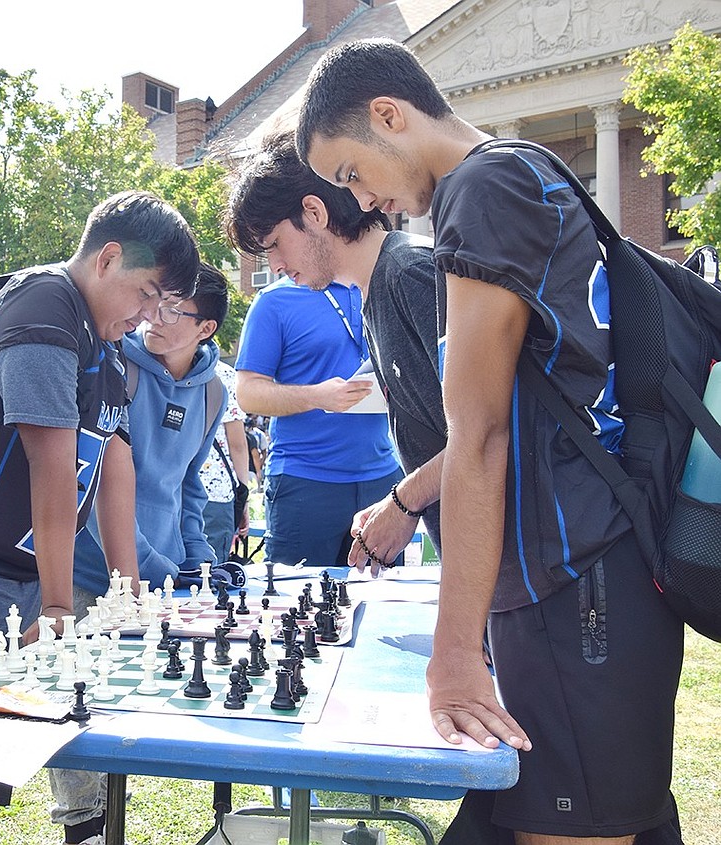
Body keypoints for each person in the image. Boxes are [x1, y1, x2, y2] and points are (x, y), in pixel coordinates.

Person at [296, 38, 684, 845]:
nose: (361, 198)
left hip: (576, 589)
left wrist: (453, 654)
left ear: (389, 115)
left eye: (350, 172)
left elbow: (479, 437)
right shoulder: (523, 169)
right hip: (583, 581)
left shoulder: (485, 185)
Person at [0, 190, 199, 845]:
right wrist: (57, 606)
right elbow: (52, 462)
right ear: (107, 259)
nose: (147, 316)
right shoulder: (46, 307)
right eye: (149, 293)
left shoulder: (104, 339)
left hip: (21, 569)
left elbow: (113, 457)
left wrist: (127, 589)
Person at [226, 129, 445, 573]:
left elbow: (489, 433)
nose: (277, 267)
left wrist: (403, 503)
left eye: (273, 245)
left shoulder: (411, 274)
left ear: (314, 212)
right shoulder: (378, 285)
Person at [74, 262, 231, 606]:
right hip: (92, 577)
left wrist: (200, 561)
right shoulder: (113, 364)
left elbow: (188, 484)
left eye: (172, 311)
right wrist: (154, 569)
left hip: (168, 581)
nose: (155, 317)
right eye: (156, 303)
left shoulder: (214, 393)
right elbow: (93, 479)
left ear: (205, 329)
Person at [198, 360, 250, 567]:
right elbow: (237, 444)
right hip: (215, 491)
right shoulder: (223, 374)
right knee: (209, 576)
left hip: (164, 487)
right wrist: (243, 494)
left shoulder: (152, 362)